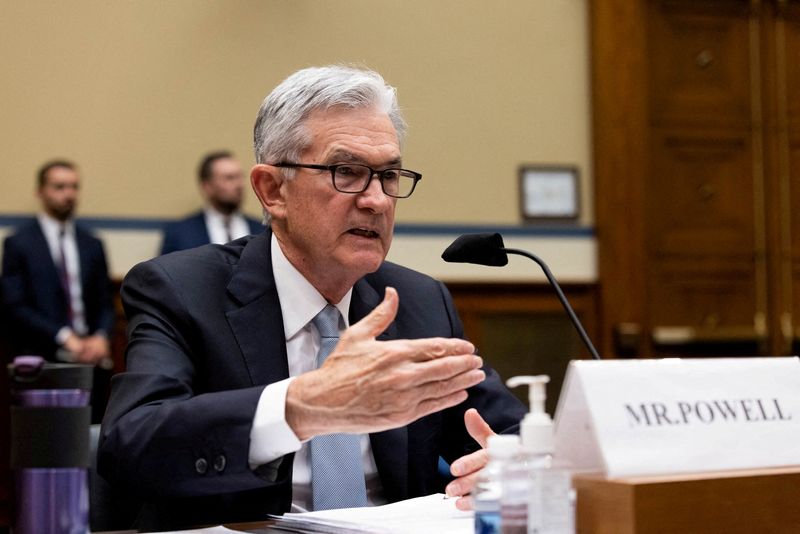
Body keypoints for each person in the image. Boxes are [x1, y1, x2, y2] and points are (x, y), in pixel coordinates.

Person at [98, 65, 526, 530]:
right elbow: (132, 445)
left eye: (388, 175)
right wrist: (300, 406)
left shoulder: (420, 302)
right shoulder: (180, 290)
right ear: (271, 190)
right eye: (347, 172)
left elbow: (509, 433)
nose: (377, 200)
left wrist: (511, 464)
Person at [1, 160, 115, 422]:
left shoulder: (92, 243)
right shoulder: (19, 243)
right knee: (45, 441)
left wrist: (101, 336)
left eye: (74, 187)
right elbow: (15, 306)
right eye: (60, 187)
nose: (69, 194)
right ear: (40, 192)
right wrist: (64, 337)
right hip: (42, 360)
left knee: (91, 437)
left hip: (91, 362)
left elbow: (105, 301)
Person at [159, 151, 263, 254]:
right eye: (229, 178)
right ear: (207, 186)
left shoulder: (262, 231)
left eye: (241, 177)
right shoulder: (180, 233)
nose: (239, 185)